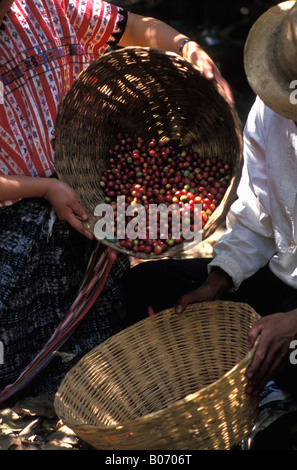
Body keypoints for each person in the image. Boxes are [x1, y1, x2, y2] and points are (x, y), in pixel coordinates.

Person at [0, 0, 232, 404]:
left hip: (87, 181)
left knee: (109, 304)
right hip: (15, 209)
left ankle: (92, 371)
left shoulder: (49, 8)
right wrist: (42, 188)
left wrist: (187, 47)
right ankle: (44, 381)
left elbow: (138, 27)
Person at [122, 0, 297, 399]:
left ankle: (274, 393)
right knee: (144, 287)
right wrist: (218, 280)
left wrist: (293, 323)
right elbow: (256, 215)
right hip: (282, 277)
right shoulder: (270, 114)